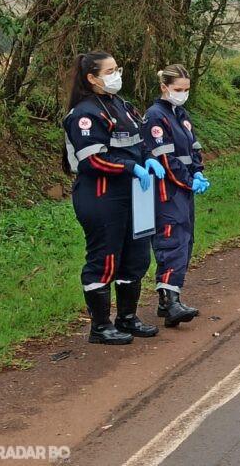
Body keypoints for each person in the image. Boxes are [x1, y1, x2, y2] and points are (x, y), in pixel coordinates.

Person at [63, 52, 165, 345]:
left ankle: (127, 318)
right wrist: (130, 166)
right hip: (101, 195)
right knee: (105, 258)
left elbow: (141, 142)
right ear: (92, 78)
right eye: (109, 70)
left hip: (134, 192)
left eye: (117, 68)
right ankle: (100, 326)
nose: (116, 74)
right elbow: (91, 161)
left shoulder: (123, 106)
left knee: (136, 257)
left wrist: (148, 159)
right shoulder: (84, 114)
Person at [142, 64, 209, 328]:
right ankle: (170, 302)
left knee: (186, 240)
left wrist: (198, 172)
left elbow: (192, 149)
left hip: (184, 189)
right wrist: (189, 180)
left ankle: (170, 298)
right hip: (167, 192)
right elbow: (166, 159)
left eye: (186, 89)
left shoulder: (181, 114)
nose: (182, 93)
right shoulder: (155, 117)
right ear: (164, 87)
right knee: (171, 240)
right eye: (178, 89)